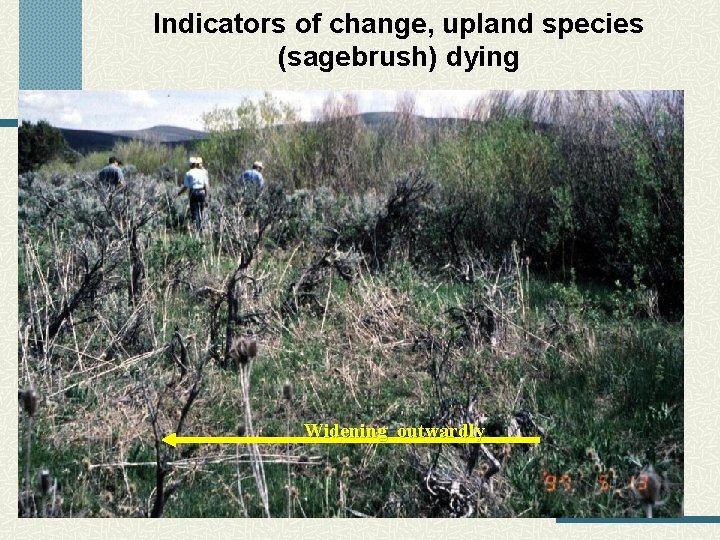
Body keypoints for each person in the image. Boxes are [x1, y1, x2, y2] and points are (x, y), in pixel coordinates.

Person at [178, 156, 210, 229]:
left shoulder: (188, 173)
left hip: (193, 193)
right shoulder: (203, 172)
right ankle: (204, 228)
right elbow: (206, 185)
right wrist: (206, 196)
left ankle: (197, 228)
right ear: (196, 164)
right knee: (203, 210)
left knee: (194, 212)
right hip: (202, 192)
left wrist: (179, 193)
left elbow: (186, 187)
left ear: (190, 164)